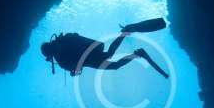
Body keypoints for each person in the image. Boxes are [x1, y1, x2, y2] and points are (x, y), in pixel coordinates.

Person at [40, 18, 169, 78]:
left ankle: (136, 52)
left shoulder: (60, 58)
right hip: (91, 52)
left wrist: (74, 72)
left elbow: (75, 67)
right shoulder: (62, 44)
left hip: (90, 58)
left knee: (113, 61)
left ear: (48, 54)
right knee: (110, 55)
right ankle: (127, 37)